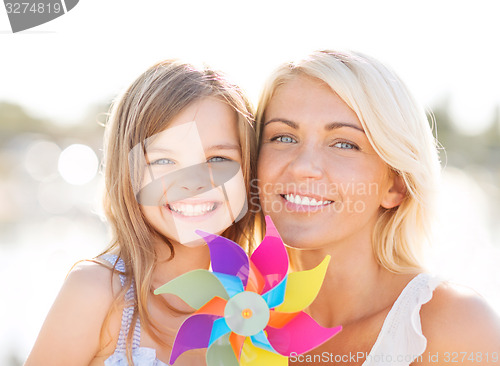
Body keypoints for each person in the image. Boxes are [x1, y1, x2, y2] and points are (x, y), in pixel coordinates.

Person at [255, 50, 500, 365]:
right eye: (283, 137)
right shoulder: (236, 319)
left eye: (345, 144)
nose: (303, 166)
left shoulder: (452, 326)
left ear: (395, 185)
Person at [25, 60, 258, 366]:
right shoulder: (96, 292)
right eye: (163, 161)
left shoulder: (257, 304)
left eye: (217, 158)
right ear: (128, 171)